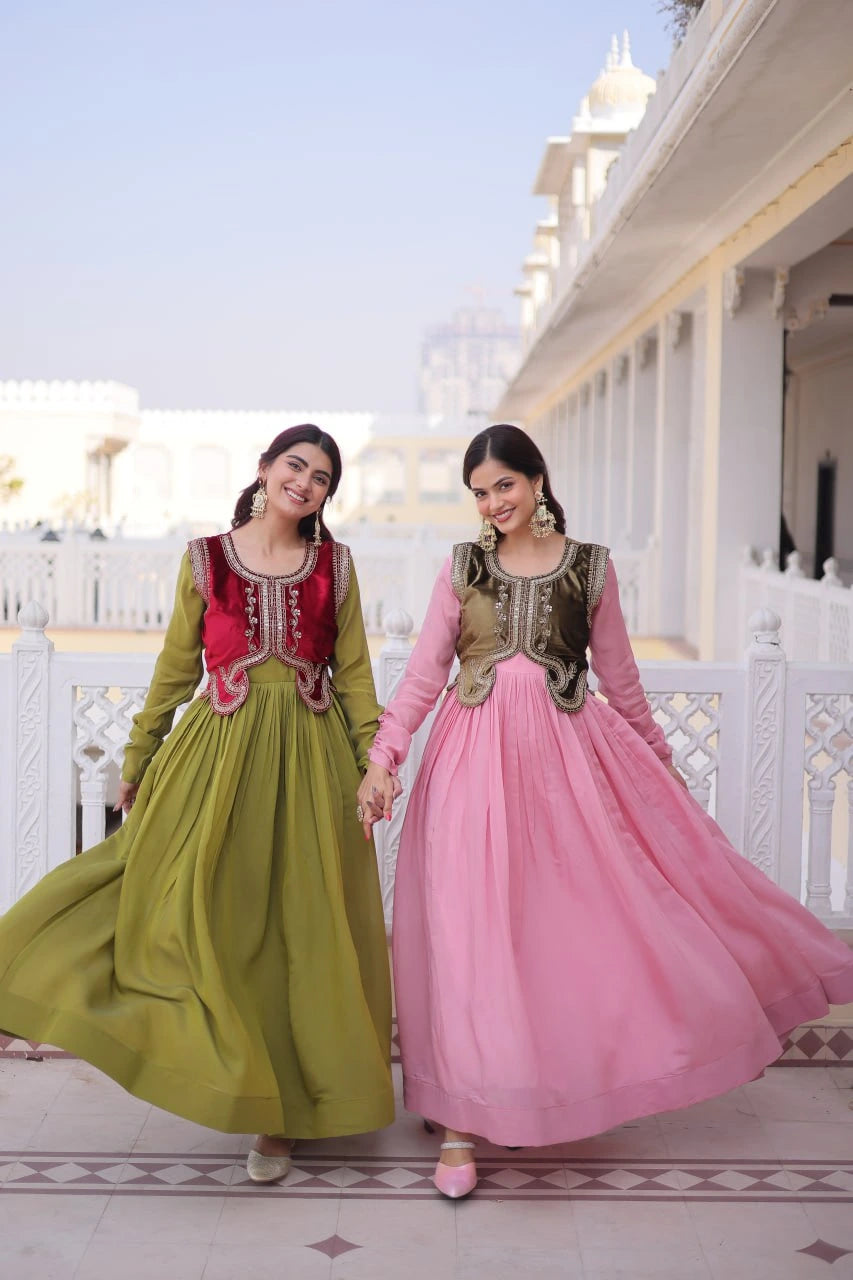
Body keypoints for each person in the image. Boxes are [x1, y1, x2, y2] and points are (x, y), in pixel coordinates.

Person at [358, 423, 853, 1199]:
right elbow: (423, 676)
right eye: (479, 493)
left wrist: (660, 767)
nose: (492, 504)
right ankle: (457, 1123)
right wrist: (384, 759)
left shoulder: (590, 570)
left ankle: (523, 1086)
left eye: (504, 486)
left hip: (564, 770)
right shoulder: (462, 569)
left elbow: (620, 680)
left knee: (551, 929)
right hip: (468, 763)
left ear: (536, 480)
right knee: (465, 930)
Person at [0, 425, 393, 1183]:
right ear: (264, 469)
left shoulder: (335, 569)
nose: (304, 483)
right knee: (196, 912)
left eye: (320, 478)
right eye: (294, 466)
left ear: (325, 497)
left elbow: (354, 679)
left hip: (311, 764)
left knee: (298, 933)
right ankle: (210, 1068)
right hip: (216, 760)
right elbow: (176, 668)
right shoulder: (205, 559)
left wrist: (372, 767)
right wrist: (140, 754)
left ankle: (284, 1119)